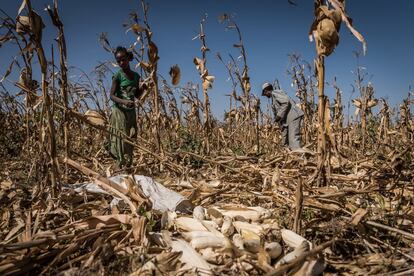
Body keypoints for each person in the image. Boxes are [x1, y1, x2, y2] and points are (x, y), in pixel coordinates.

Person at [108, 46, 143, 168]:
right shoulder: (118, 76)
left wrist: (144, 87)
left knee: (131, 137)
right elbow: (111, 96)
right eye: (118, 61)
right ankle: (120, 164)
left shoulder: (136, 76)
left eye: (123, 59)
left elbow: (137, 95)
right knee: (120, 139)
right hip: (119, 111)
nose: (121, 63)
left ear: (128, 58)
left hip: (131, 112)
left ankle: (128, 164)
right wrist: (123, 102)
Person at [262, 82, 304, 150]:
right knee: (287, 143)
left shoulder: (275, 92)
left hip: (293, 116)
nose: (265, 96)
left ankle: (300, 158)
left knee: (293, 140)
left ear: (266, 91)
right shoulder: (273, 98)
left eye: (265, 93)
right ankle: (293, 157)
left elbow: (285, 102)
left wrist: (278, 116)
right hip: (288, 120)